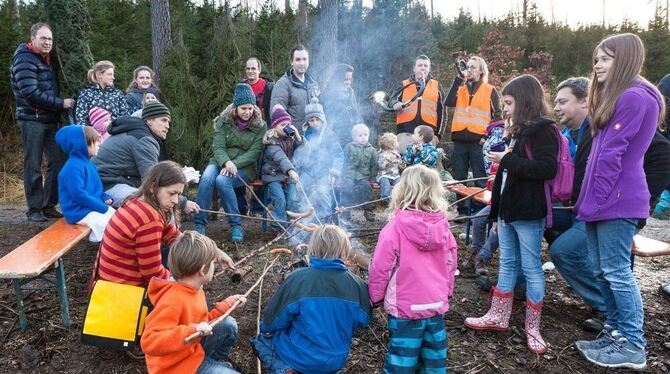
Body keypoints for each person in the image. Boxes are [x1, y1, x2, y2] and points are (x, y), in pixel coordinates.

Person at [574, 33, 664, 370]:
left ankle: (632, 343)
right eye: (597, 57)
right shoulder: (617, 98)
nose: (597, 64)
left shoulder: (635, 97)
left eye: (607, 58)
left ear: (625, 60)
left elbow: (613, 153)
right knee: (601, 270)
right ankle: (614, 332)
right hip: (603, 200)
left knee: (616, 271)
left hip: (617, 199)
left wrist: (596, 199)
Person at [464, 75, 558, 355]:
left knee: (530, 267)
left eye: (508, 103)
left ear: (525, 101)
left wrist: (506, 158)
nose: (504, 109)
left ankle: (533, 327)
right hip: (507, 209)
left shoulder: (545, 130)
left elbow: (546, 169)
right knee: (506, 262)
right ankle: (499, 315)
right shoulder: (517, 130)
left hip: (529, 211)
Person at [368, 164, 458, 373]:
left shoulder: (394, 228)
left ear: (401, 190)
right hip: (435, 304)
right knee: (434, 359)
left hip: (405, 308)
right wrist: (447, 292)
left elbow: (381, 268)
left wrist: (375, 297)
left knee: (402, 358)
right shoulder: (443, 226)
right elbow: (451, 264)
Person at [250, 225, 370, 374]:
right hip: (336, 359)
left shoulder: (297, 279)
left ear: (312, 247)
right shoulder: (357, 284)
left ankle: (284, 369)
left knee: (261, 340)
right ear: (345, 249)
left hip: (300, 357)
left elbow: (271, 321)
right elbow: (364, 320)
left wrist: (267, 329)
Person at [96, 161, 235, 287]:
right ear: (153, 187)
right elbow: (152, 273)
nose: (176, 200)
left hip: (108, 281)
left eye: (179, 195)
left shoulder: (138, 202)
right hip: (124, 289)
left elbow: (174, 235)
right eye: (172, 193)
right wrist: (185, 286)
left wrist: (215, 252)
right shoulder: (148, 217)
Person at [547, 77, 608, 332]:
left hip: (596, 212)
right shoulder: (562, 136)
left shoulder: (599, 130)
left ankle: (605, 306)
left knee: (562, 251)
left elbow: (659, 154)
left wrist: (647, 205)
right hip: (571, 207)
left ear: (584, 101)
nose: (557, 107)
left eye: (563, 101)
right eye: (556, 102)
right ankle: (519, 287)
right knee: (529, 219)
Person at [141, 231, 244, 374]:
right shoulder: (172, 299)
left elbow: (200, 321)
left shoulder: (195, 289)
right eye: (213, 263)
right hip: (177, 367)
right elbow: (149, 341)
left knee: (228, 324)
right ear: (202, 270)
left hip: (192, 351)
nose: (215, 266)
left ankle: (214, 362)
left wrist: (227, 305)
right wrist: (193, 330)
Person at [10, 22, 75, 222]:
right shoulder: (24, 59)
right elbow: (30, 93)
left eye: (50, 39)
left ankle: (48, 205)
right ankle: (34, 210)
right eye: (43, 38)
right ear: (33, 39)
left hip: (50, 120)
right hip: (32, 119)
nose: (47, 42)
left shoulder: (48, 59)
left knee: (57, 161)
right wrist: (60, 103)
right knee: (33, 164)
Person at [93, 101, 197, 214]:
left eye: (168, 122)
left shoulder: (136, 133)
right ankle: (169, 232)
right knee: (154, 205)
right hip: (106, 186)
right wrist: (183, 203)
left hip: (107, 182)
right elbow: (152, 182)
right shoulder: (144, 140)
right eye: (163, 120)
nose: (167, 126)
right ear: (149, 120)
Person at [193, 83, 266, 241]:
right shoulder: (223, 121)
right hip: (221, 160)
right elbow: (218, 147)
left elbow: (254, 153)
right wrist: (226, 162)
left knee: (222, 180)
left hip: (245, 167)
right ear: (236, 108)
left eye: (250, 108)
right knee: (206, 179)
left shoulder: (260, 125)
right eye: (243, 108)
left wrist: (235, 164)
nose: (247, 112)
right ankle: (199, 223)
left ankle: (236, 225)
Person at [445, 56, 502, 191]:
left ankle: (479, 209)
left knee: (480, 177)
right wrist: (458, 79)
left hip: (479, 142)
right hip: (459, 140)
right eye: (468, 67)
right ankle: (462, 209)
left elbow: (499, 117)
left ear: (480, 71)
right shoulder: (461, 88)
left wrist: (487, 137)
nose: (469, 70)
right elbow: (448, 102)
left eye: (473, 67)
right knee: (459, 177)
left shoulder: (490, 90)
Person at [56, 125, 114, 242]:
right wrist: (102, 207)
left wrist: (104, 196)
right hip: (78, 211)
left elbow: (94, 189)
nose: (99, 144)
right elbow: (79, 195)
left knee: (119, 218)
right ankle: (109, 253)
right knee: (111, 226)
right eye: (95, 142)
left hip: (89, 207)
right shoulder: (73, 167)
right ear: (81, 144)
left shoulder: (89, 164)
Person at [293, 98, 343, 223]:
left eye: (317, 119)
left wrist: (335, 172)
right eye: (311, 120)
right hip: (307, 173)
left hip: (324, 172)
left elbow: (338, 155)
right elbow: (298, 157)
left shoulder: (329, 135)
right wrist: (297, 174)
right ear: (307, 121)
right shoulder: (304, 136)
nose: (314, 122)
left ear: (322, 120)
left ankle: (326, 221)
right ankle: (301, 223)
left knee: (323, 192)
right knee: (296, 192)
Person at [261, 104, 302, 232]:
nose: (286, 128)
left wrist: (298, 137)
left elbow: (304, 149)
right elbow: (280, 157)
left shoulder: (290, 138)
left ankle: (292, 224)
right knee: (279, 198)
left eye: (287, 124)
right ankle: (278, 225)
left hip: (286, 175)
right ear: (275, 126)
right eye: (282, 125)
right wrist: (291, 170)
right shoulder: (271, 141)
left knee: (292, 197)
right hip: (272, 174)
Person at [393, 55, 445, 150]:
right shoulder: (403, 84)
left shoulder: (437, 86)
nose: (423, 68)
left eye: (426, 66)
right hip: (406, 133)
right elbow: (392, 99)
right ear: (414, 68)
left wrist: (438, 135)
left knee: (427, 162)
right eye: (420, 65)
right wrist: (395, 104)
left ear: (429, 69)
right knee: (405, 162)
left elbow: (443, 112)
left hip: (427, 135)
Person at [269, 45, 320, 130]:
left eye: (304, 59)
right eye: (298, 59)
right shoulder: (282, 85)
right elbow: (276, 117)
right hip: (294, 139)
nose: (302, 63)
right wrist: (292, 136)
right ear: (291, 62)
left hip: (314, 138)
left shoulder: (313, 84)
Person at [341, 123, 378, 222]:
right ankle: (345, 211)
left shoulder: (372, 150)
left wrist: (373, 179)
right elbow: (343, 162)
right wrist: (342, 176)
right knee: (347, 188)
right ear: (354, 137)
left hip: (364, 176)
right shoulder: (349, 147)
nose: (363, 138)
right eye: (360, 136)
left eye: (365, 135)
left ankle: (368, 210)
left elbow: (374, 166)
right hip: (349, 175)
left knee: (366, 189)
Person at [75, 60, 128, 126]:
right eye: (109, 74)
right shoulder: (86, 93)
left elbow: (125, 116)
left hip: (116, 133)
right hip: (93, 134)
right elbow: (80, 120)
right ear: (100, 75)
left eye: (113, 75)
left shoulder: (117, 94)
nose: (113, 78)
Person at [320, 63, 362, 145]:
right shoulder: (327, 94)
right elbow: (326, 118)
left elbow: (355, 113)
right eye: (346, 79)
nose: (348, 82)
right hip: (334, 137)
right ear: (338, 79)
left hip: (350, 135)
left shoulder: (350, 92)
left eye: (350, 79)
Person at [376, 133, 404, 201]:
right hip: (384, 175)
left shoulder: (396, 153)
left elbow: (401, 166)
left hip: (395, 175)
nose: (398, 142)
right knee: (386, 185)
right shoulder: (382, 154)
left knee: (400, 185)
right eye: (396, 141)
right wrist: (389, 160)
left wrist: (401, 163)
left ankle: (398, 198)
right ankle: (385, 199)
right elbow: (381, 166)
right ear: (390, 144)